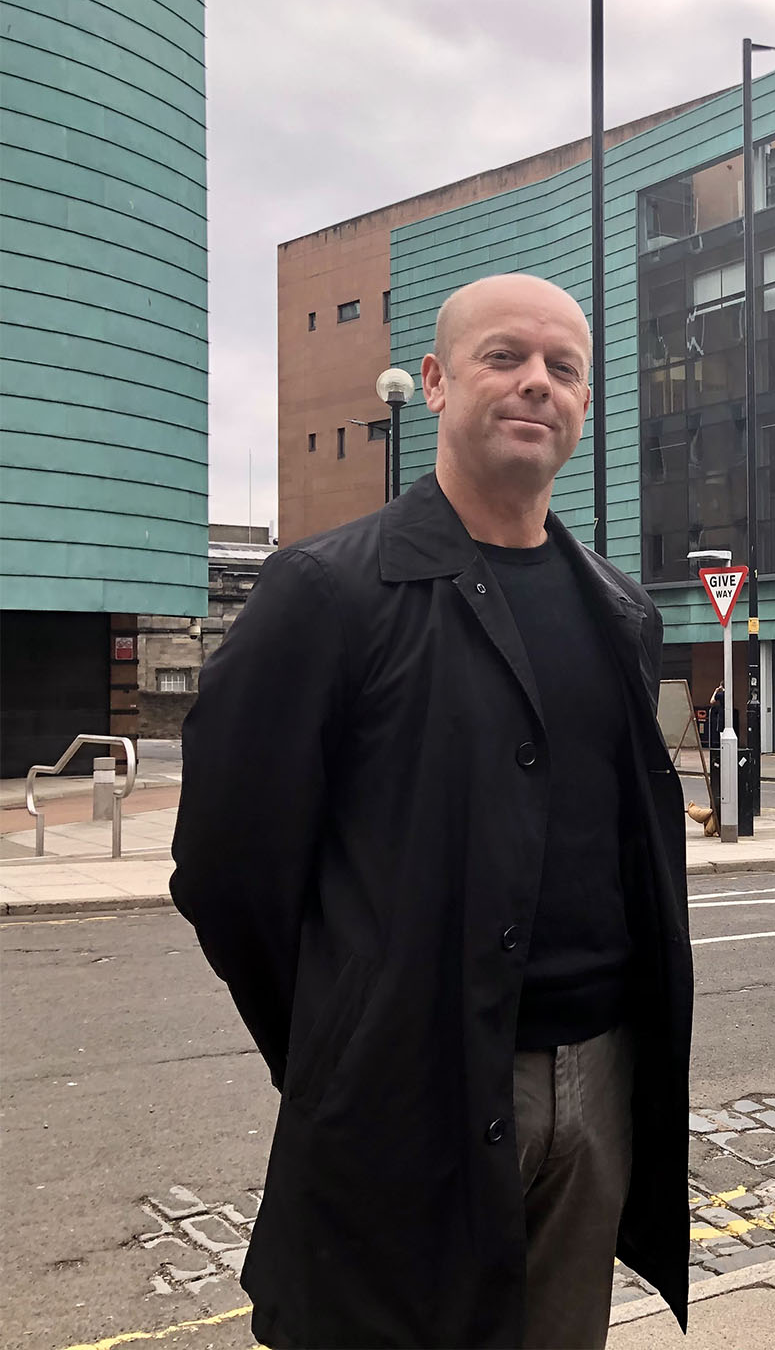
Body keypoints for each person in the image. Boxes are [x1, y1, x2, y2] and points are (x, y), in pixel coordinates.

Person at [170, 274, 693, 1349]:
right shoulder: (326, 593)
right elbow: (228, 872)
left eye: (564, 370)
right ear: (442, 382)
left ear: (585, 410)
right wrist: (344, 1042)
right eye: (507, 358)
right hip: (409, 1090)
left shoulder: (621, 612)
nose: (537, 385)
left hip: (597, 1082)